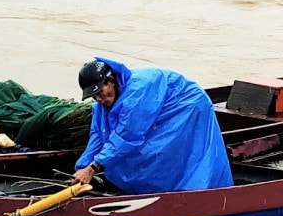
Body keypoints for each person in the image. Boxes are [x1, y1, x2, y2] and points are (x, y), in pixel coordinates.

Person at [72, 58, 231, 193]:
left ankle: (188, 190)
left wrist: (93, 168)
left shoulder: (136, 94)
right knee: (123, 151)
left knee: (161, 150)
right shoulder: (100, 106)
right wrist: (82, 167)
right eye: (94, 96)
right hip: (159, 105)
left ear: (111, 82)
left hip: (188, 105)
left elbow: (127, 136)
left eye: (100, 92)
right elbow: (98, 136)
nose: (99, 99)